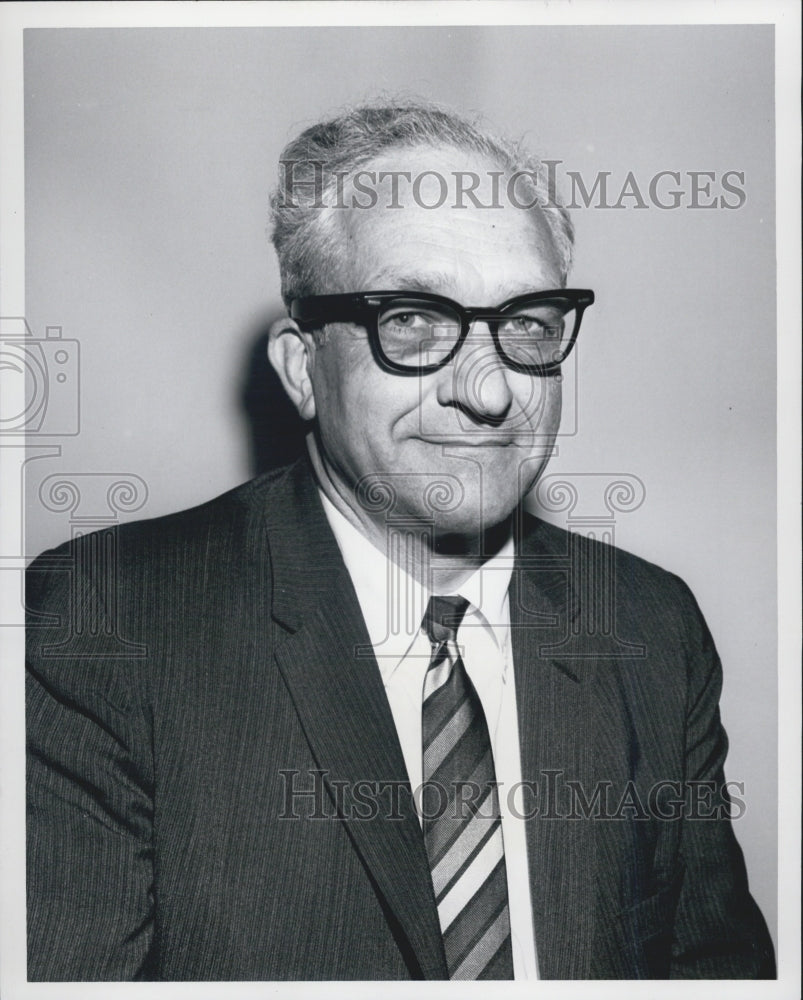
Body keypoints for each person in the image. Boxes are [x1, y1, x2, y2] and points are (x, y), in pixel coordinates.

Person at [26, 101, 774, 981]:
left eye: (527, 322)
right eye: (414, 320)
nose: (490, 393)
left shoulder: (650, 627)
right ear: (303, 369)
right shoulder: (106, 623)